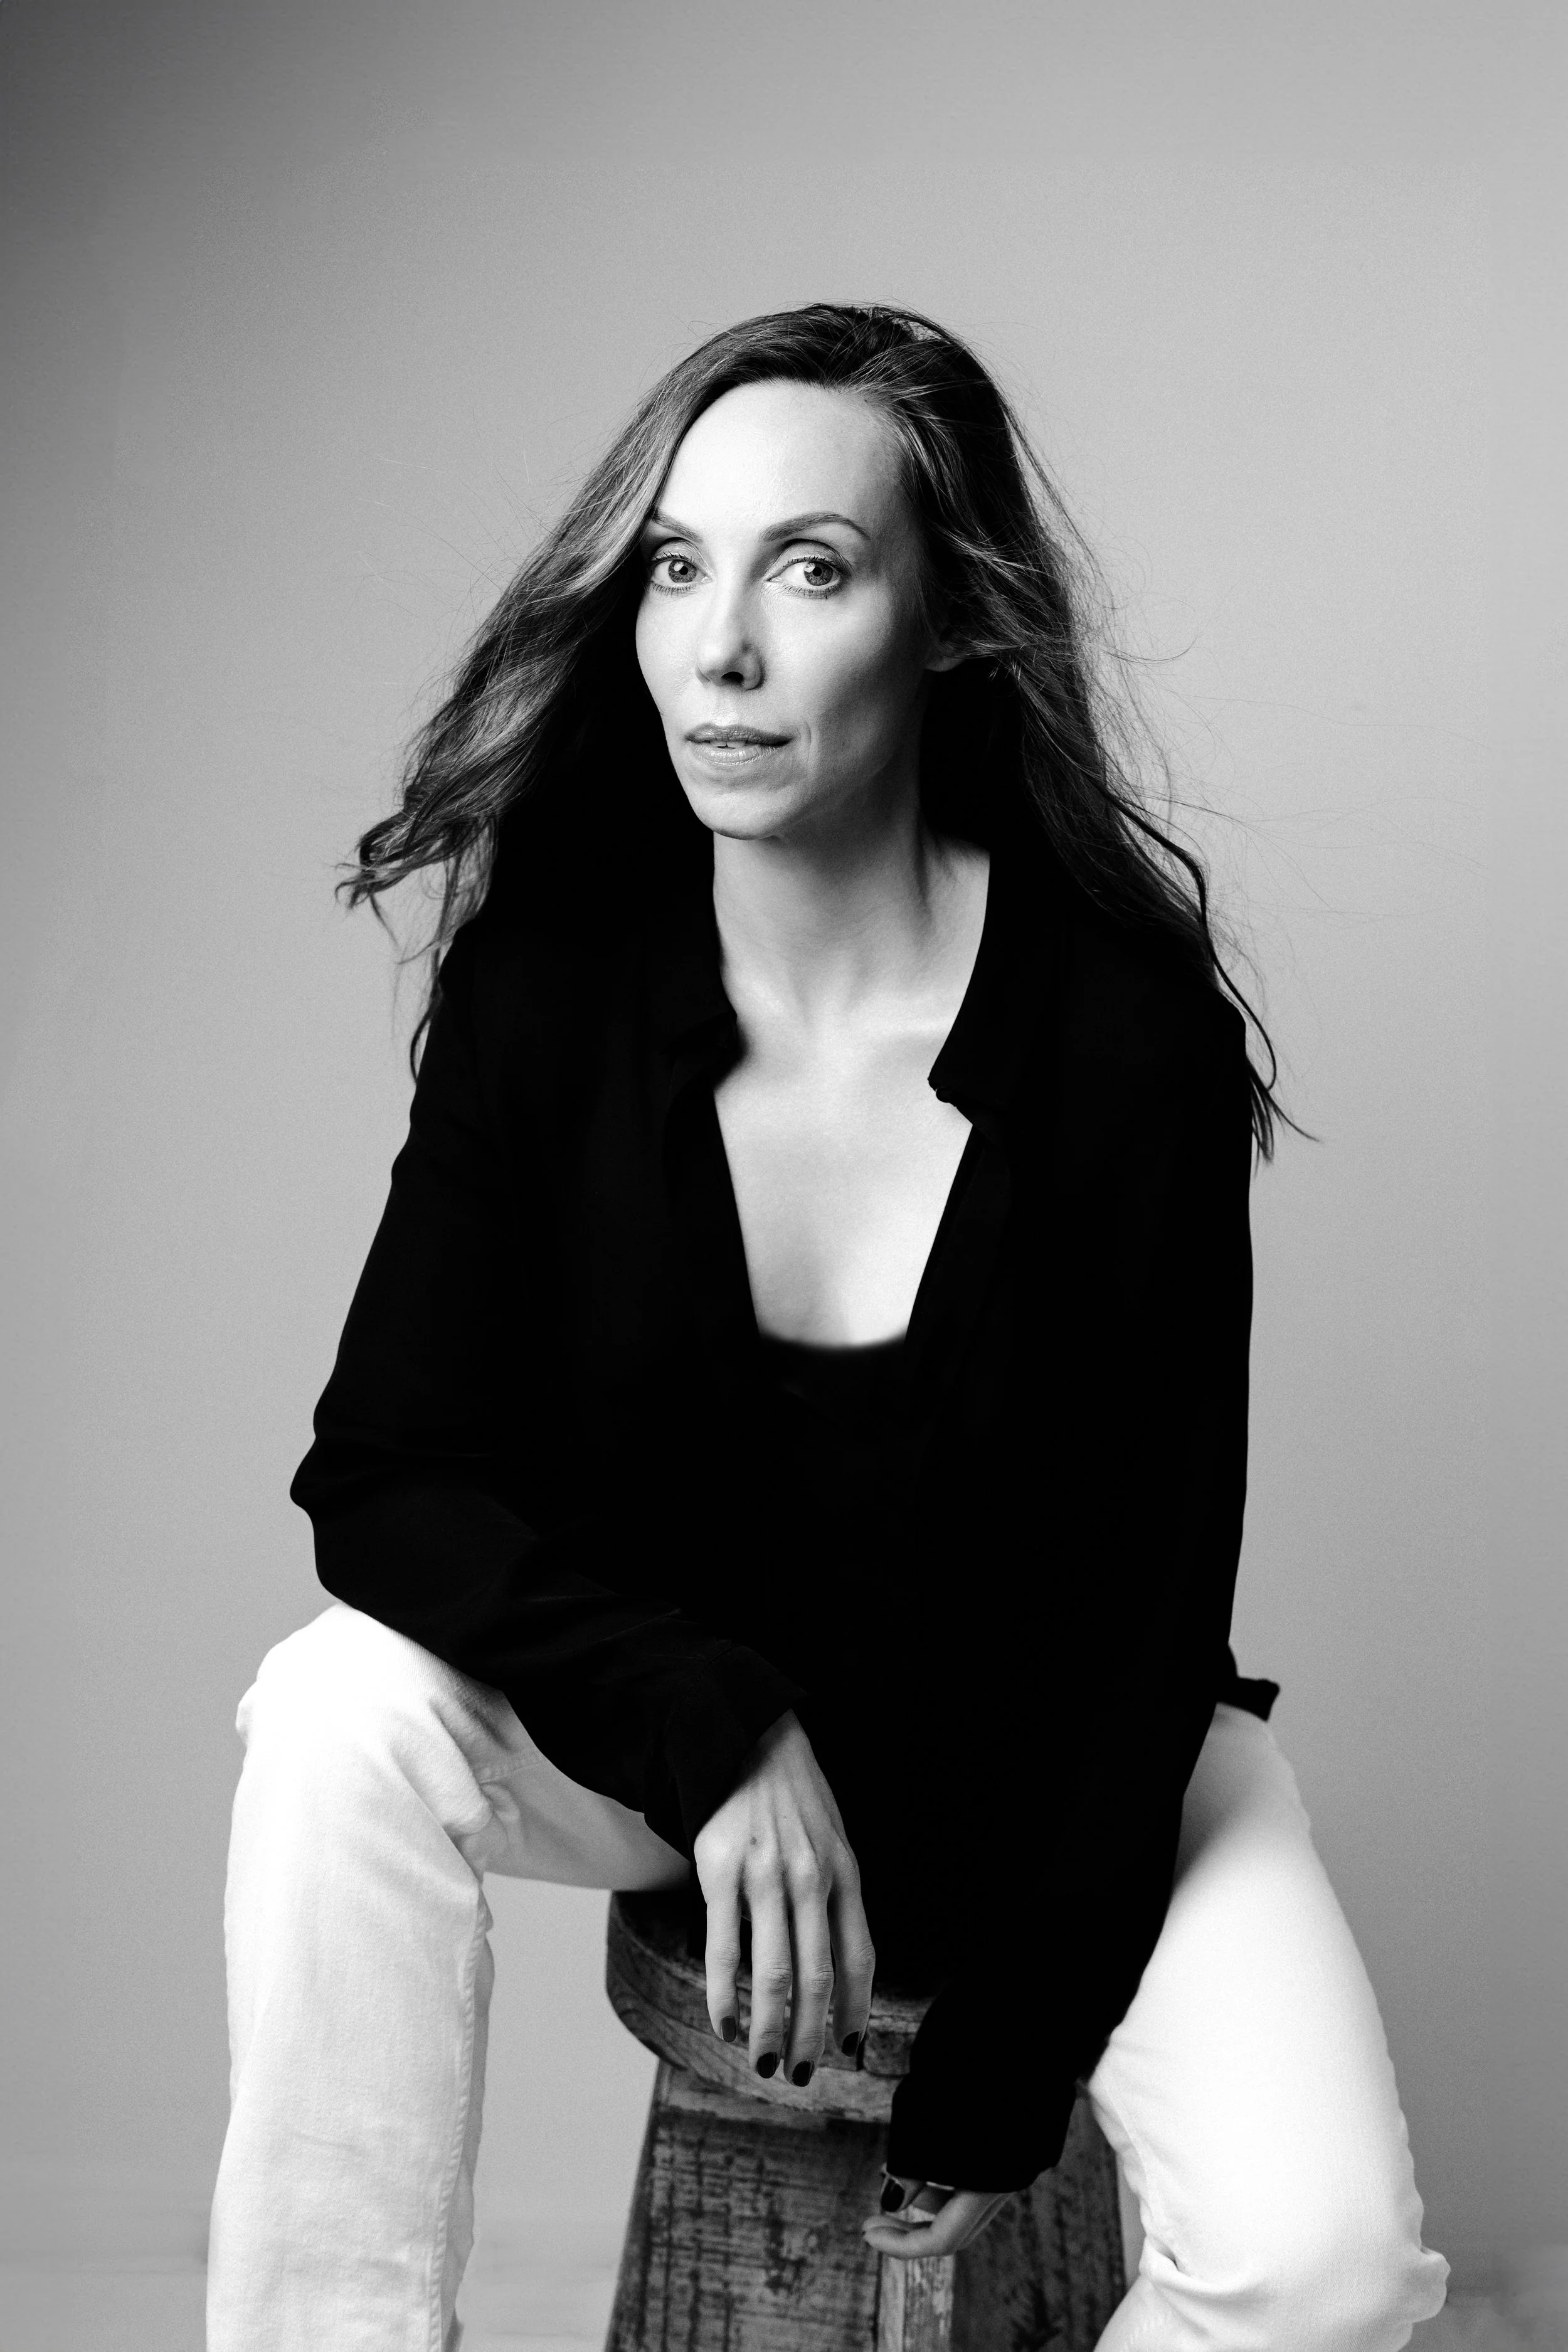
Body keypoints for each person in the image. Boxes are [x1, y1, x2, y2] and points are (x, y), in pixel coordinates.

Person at [206, 302, 1449, 2352]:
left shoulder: (1118, 1038)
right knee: (334, 1712)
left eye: (810, 567)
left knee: (1326, 2264)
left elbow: (1143, 1607)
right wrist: (711, 1723)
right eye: (679, 568)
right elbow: (386, 1467)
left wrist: (994, 2080)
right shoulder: (560, 990)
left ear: (952, 620)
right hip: (688, 1744)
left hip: (1060, 1760)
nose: (721, 649)